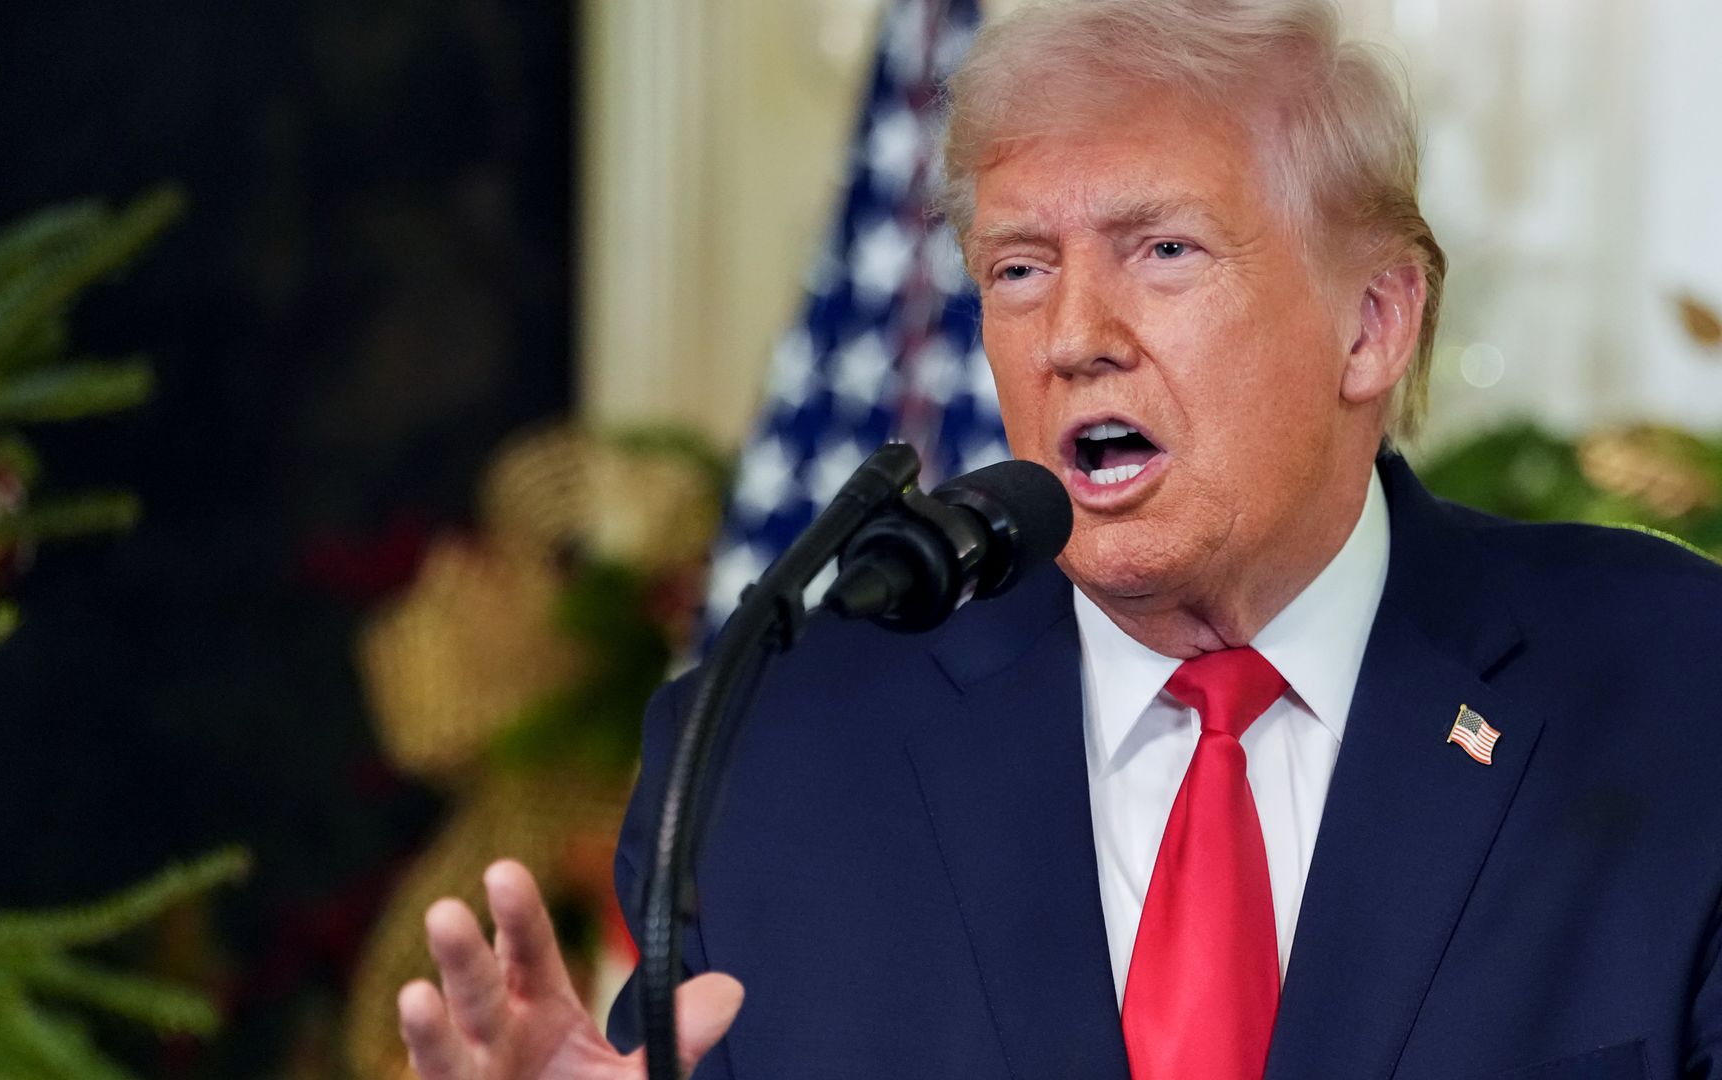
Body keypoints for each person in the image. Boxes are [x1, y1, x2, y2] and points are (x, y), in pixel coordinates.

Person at [397, 0, 1722, 1077]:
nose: (1074, 336)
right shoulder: (773, 761)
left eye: (1164, 251)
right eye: (1020, 270)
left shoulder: (1676, 690)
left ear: (1373, 324)